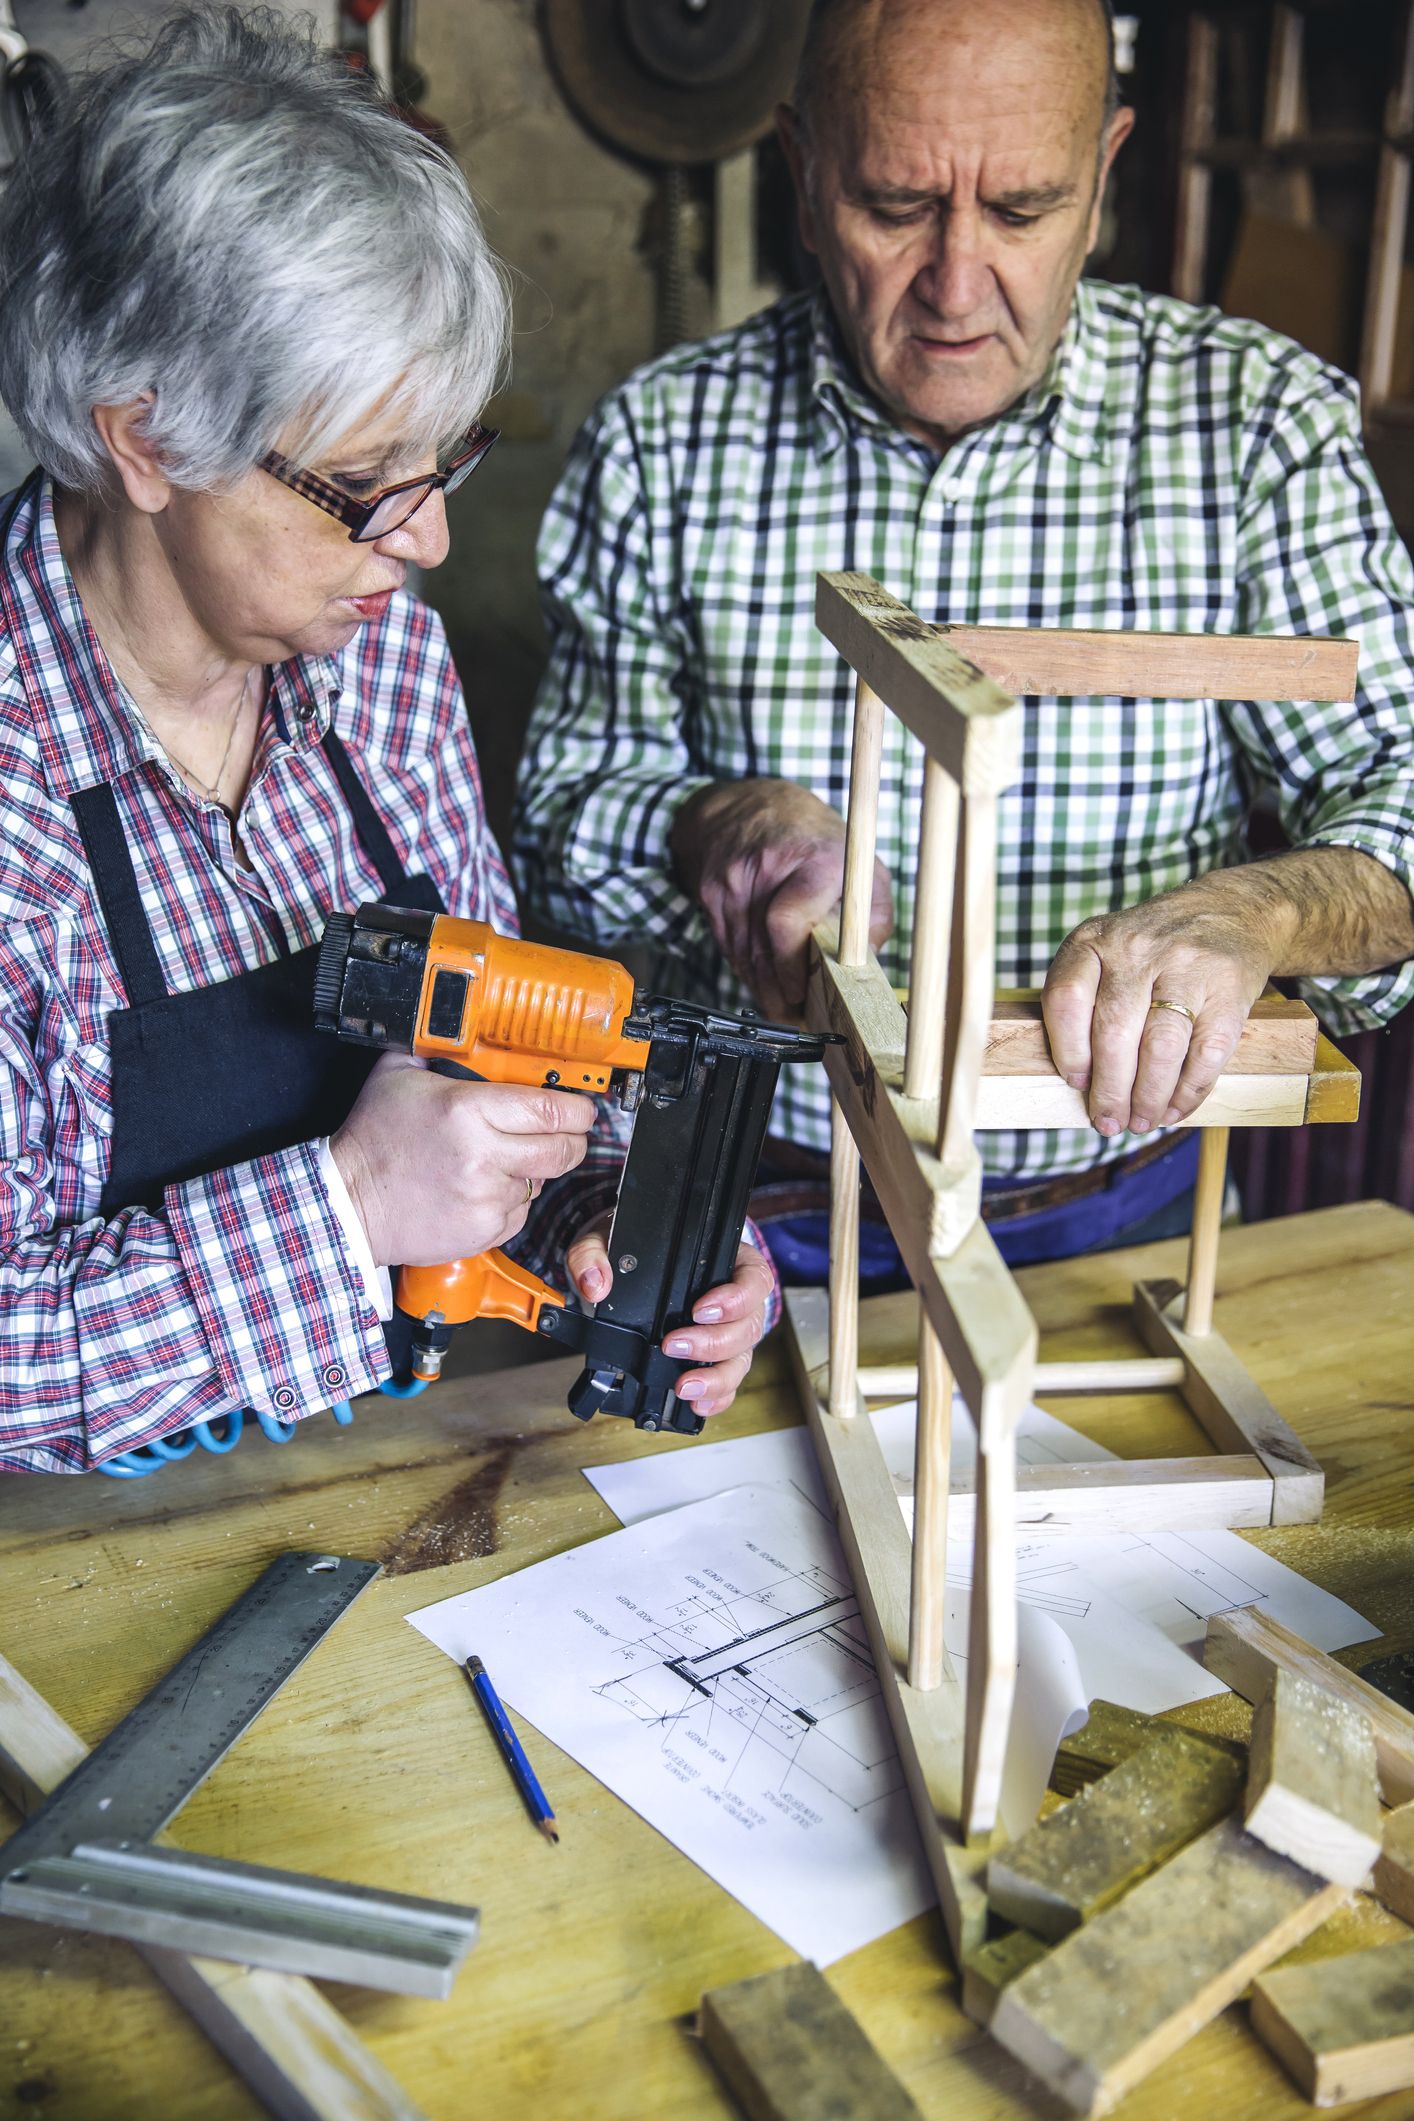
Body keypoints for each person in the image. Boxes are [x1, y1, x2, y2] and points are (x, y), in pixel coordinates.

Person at [516, 0, 1414, 1279]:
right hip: (752, 1220)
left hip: (1124, 1219)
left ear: (1102, 178)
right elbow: (552, 828)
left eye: (1021, 210)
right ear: (802, 169)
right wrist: (717, 824)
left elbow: (1404, 793)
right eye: (893, 206)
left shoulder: (1257, 430)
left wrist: (1263, 911)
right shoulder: (660, 443)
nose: (953, 283)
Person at [0, 6, 773, 1473]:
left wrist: (602, 1219)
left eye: (443, 459)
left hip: (393, 1481)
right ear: (145, 441)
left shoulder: (383, 667)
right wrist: (345, 1207)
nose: (424, 540)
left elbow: (491, 1075)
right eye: (362, 483)